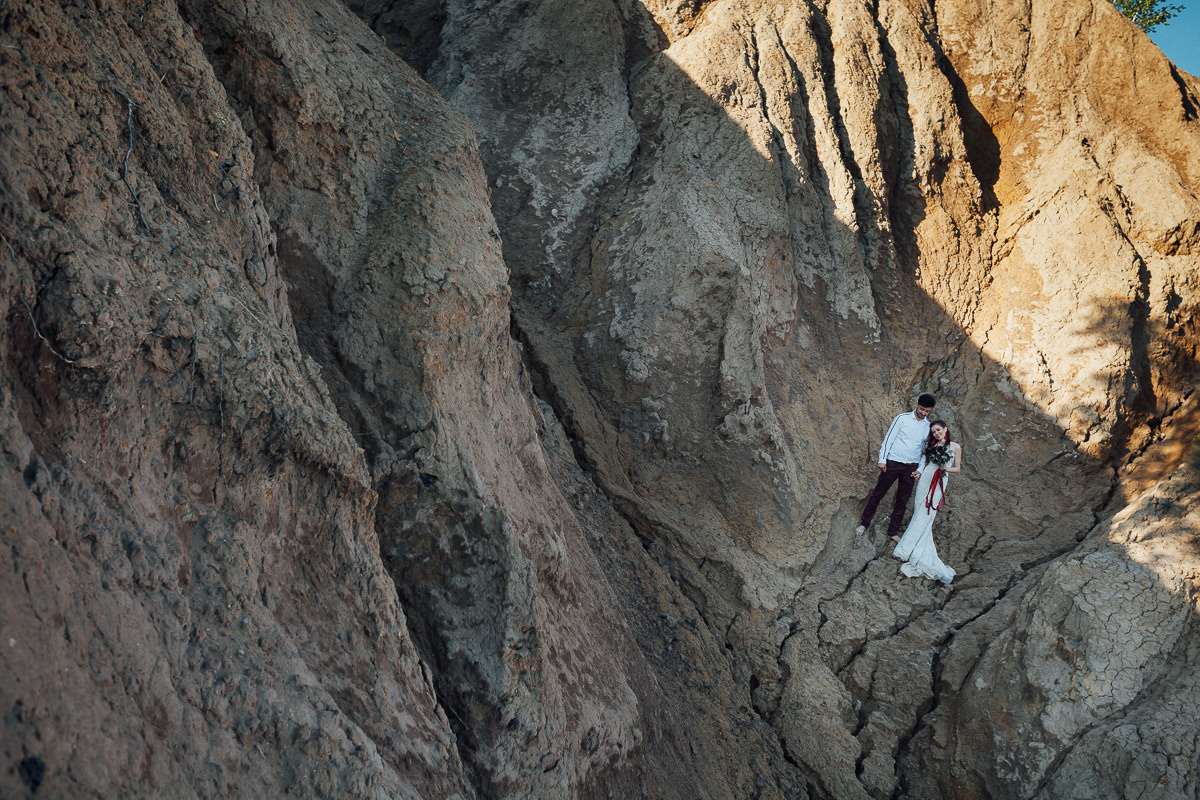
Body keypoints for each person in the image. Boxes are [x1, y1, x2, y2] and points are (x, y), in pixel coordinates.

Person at [855, 394, 936, 541]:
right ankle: (864, 523)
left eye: (927, 411)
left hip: (911, 468)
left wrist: (920, 469)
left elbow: (925, 451)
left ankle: (893, 531)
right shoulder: (902, 418)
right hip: (892, 463)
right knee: (878, 494)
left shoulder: (928, 427)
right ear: (917, 404)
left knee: (902, 501)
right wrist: (882, 459)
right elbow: (888, 439)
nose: (923, 413)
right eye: (922, 409)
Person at [893, 420, 961, 584]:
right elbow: (924, 461)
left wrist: (946, 468)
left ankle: (911, 548)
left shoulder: (956, 447)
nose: (937, 433)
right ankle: (911, 545)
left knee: (928, 513)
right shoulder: (932, 445)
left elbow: (957, 468)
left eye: (938, 430)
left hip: (940, 480)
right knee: (919, 510)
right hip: (926, 479)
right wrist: (919, 472)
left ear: (945, 428)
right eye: (934, 432)